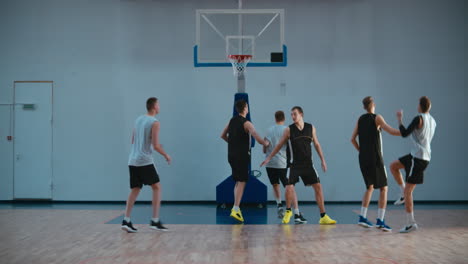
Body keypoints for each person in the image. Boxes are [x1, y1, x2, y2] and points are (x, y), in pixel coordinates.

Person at [261, 106, 336, 225]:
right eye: (291, 114)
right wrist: (269, 158)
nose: (293, 116)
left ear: (301, 114)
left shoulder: (311, 128)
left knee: (318, 187)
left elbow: (316, 144)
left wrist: (323, 160)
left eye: (295, 114)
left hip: (308, 165)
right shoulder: (289, 130)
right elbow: (279, 145)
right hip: (293, 165)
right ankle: (288, 211)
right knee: (289, 187)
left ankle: (323, 216)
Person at [121, 97, 171, 233]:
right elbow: (155, 146)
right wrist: (166, 154)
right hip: (144, 160)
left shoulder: (138, 119)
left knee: (135, 189)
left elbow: (133, 139)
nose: (160, 106)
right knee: (157, 187)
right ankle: (155, 221)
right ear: (154, 107)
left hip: (132, 159)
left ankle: (126, 219)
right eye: (159, 104)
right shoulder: (155, 122)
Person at [351, 96, 400, 231]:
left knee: (370, 187)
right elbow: (390, 130)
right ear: (373, 105)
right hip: (375, 158)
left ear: (364, 107)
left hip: (363, 158)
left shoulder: (360, 119)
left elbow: (352, 139)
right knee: (384, 188)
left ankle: (362, 217)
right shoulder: (377, 117)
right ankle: (380, 220)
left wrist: (362, 151)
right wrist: (404, 132)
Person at [389, 96, 436, 233]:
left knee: (409, 191)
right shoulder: (433, 121)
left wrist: (399, 119)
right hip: (418, 155)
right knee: (394, 166)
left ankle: (411, 223)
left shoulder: (418, 118)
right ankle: (402, 193)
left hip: (418, 158)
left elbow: (404, 133)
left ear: (420, 106)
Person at [221, 99, 269, 223]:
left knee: (238, 181)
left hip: (231, 155)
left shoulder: (231, 121)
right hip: (241, 156)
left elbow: (222, 135)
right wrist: (266, 143)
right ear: (245, 108)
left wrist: (233, 143)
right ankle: (236, 208)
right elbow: (258, 139)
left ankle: (235, 207)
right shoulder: (247, 123)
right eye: (247, 106)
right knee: (242, 181)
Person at [263, 111, 301, 220]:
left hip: (270, 163)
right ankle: (297, 212)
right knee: (290, 188)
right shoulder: (287, 130)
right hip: (283, 163)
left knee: (275, 184)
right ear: (284, 119)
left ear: (275, 118)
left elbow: (264, 147)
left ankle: (279, 204)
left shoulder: (269, 130)